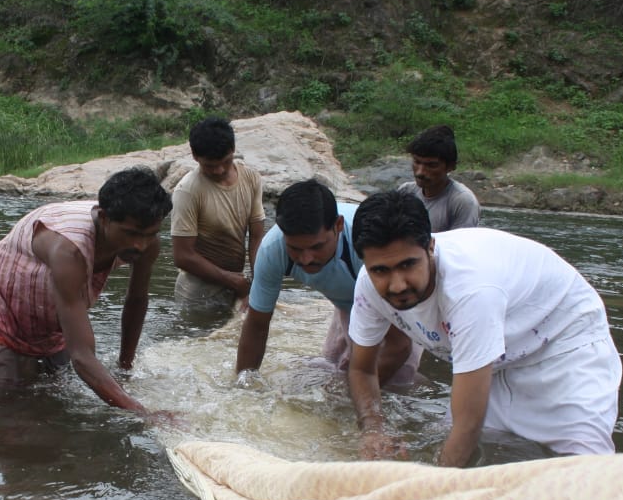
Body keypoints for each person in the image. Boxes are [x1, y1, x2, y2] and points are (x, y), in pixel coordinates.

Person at [347, 190, 622, 467]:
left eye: (408, 265)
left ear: (430, 247)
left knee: (588, 467)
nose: (397, 285)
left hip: (563, 339)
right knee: (485, 451)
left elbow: (467, 426)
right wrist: (372, 429)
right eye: (380, 270)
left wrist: (433, 492)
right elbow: (362, 369)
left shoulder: (470, 290)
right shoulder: (367, 286)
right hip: (500, 352)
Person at [0, 166, 173, 417]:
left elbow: (137, 299)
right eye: (131, 234)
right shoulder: (69, 250)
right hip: (1, 312)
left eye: (150, 234)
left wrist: (125, 367)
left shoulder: (146, 242)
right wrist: (145, 414)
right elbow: (82, 356)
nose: (140, 245)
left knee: (55, 404)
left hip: (51, 318)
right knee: (5, 408)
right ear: (103, 217)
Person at [236, 179, 418, 384]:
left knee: (399, 382)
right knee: (335, 369)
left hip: (398, 303)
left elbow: (399, 345)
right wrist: (243, 384)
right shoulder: (272, 249)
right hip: (348, 303)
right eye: (295, 249)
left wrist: (354, 397)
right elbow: (256, 325)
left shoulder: (367, 246)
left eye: (316, 247)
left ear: (338, 226)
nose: (306, 259)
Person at [169, 116, 266, 313]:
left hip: (237, 285)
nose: (219, 170)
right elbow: (182, 256)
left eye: (226, 162)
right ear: (195, 157)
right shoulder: (188, 191)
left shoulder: (250, 177)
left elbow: (256, 238)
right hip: (197, 295)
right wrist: (232, 280)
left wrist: (258, 285)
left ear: (233, 150)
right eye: (210, 166)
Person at [397, 124, 481, 232]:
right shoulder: (406, 191)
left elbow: (460, 245)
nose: (420, 172)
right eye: (417, 162)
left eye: (431, 165)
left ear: (451, 167)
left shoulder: (462, 201)